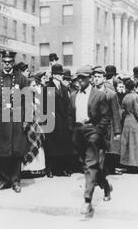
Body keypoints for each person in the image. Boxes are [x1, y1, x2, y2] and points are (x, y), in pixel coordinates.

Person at [71, 65, 112, 217]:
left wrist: (97, 132)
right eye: (78, 78)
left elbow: (105, 117)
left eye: (83, 78)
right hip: (78, 133)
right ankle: (106, 185)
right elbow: (70, 115)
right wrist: (72, 131)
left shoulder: (99, 96)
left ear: (90, 79)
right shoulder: (73, 95)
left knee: (90, 165)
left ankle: (87, 201)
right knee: (89, 165)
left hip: (92, 132)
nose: (80, 81)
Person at [0, 50, 29, 193]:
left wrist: (26, 120)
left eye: (9, 62)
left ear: (13, 63)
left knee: (16, 151)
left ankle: (16, 180)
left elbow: (27, 101)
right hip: (1, 119)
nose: (7, 65)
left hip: (17, 118)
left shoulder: (21, 79)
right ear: (2, 63)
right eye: (4, 62)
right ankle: (5, 180)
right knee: (3, 151)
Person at [44, 64, 74, 178]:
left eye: (61, 74)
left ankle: (61, 169)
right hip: (52, 120)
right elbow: (45, 107)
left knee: (62, 146)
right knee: (51, 146)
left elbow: (68, 106)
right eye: (58, 74)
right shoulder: (47, 87)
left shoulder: (64, 88)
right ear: (53, 75)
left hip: (63, 121)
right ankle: (50, 169)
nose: (60, 76)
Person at [93, 67, 122, 176]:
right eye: (95, 77)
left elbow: (115, 114)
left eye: (99, 77)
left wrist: (117, 132)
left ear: (104, 78)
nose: (96, 79)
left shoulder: (111, 94)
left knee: (102, 151)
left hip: (106, 128)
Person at [120, 79, 138, 173]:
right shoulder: (137, 97)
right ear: (134, 87)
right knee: (136, 144)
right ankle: (136, 166)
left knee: (128, 145)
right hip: (135, 123)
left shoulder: (125, 97)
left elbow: (123, 111)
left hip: (127, 122)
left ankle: (128, 164)